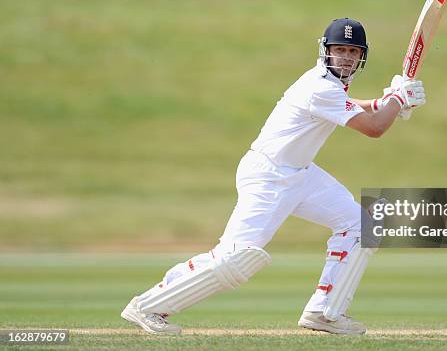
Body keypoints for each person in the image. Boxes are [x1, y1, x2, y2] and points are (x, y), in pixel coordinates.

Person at [121, 18, 426, 335]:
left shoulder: (329, 86)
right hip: (268, 176)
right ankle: (149, 305)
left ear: (361, 56)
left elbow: (359, 108)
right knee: (234, 259)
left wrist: (385, 102)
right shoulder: (319, 86)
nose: (347, 57)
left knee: (361, 225)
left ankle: (325, 312)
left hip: (300, 174)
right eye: (340, 50)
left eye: (353, 50)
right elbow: (374, 128)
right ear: (326, 51)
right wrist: (397, 100)